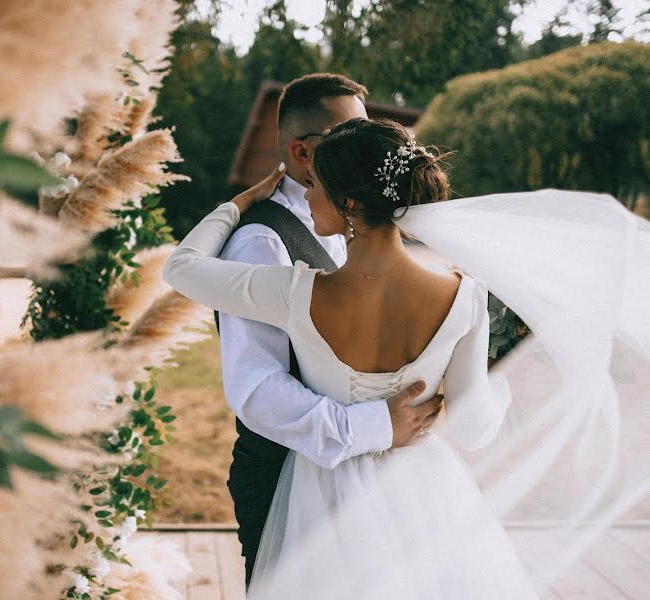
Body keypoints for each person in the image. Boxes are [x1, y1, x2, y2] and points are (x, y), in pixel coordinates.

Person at [164, 118, 543, 598]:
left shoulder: (293, 293)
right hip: (423, 495)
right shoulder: (465, 296)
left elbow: (181, 268)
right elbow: (473, 428)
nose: (305, 196)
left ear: (348, 203)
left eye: (315, 185)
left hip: (319, 498)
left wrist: (236, 206)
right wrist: (502, 387)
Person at [217, 74, 440, 588]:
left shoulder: (351, 225)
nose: (367, 149)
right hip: (285, 480)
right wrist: (375, 428)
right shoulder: (261, 243)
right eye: (347, 135)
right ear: (301, 152)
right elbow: (256, 390)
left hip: (362, 478)